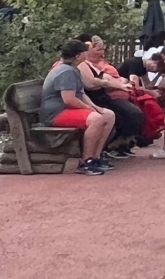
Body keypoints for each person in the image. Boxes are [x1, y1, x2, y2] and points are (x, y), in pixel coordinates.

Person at [41, 37, 114, 176]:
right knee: (96, 119)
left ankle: (95, 157)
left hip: (65, 109)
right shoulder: (66, 72)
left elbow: (80, 94)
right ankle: (86, 162)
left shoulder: (73, 69)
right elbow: (69, 100)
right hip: (55, 114)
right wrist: (88, 109)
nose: (87, 54)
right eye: (84, 52)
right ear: (78, 56)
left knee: (108, 115)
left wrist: (94, 107)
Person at [81, 37, 148, 154]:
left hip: (118, 93)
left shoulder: (103, 62)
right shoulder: (85, 64)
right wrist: (120, 85)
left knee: (144, 108)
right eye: (98, 50)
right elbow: (94, 82)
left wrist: (122, 81)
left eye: (103, 49)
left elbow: (109, 77)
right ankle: (109, 147)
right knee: (128, 114)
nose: (102, 52)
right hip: (106, 96)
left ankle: (121, 145)